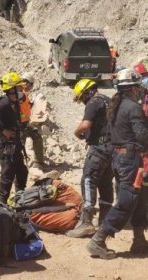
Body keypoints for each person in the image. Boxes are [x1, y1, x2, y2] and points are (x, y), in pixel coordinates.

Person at [87, 69, 148, 259]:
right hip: (129, 160)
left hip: (120, 158)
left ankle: (139, 240)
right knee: (127, 201)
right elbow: (142, 136)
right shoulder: (133, 107)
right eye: (138, 87)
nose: (139, 90)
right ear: (132, 88)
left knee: (141, 197)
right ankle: (98, 239)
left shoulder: (117, 105)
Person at [66, 79, 114, 238]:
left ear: (87, 92)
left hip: (99, 149)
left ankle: (86, 223)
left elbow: (85, 125)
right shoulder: (109, 100)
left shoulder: (93, 102)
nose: (82, 102)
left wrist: (76, 132)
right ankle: (105, 221)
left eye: (81, 98)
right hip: (111, 149)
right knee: (105, 182)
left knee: (88, 180)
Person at [0, 71, 28, 204]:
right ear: (11, 90)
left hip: (15, 145)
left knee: (22, 172)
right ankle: (2, 204)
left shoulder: (13, 101)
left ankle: (18, 199)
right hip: (7, 147)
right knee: (7, 175)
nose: (21, 90)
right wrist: (3, 130)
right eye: (19, 88)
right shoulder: (4, 103)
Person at [18, 73, 45, 168]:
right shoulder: (19, 93)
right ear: (26, 83)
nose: (31, 87)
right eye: (31, 84)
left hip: (25, 123)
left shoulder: (24, 93)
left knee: (37, 137)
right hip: (18, 125)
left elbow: (27, 106)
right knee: (19, 145)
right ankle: (17, 168)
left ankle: (38, 163)